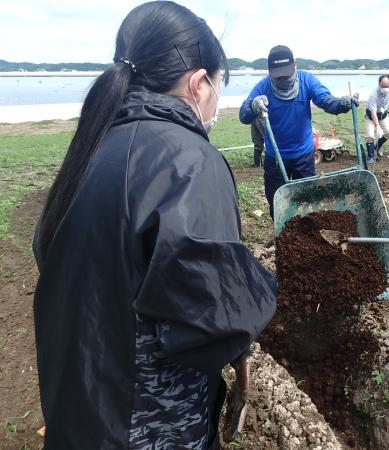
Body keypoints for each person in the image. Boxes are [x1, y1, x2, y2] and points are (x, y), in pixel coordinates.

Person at [32, 2, 276, 449]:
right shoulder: (187, 160)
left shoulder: (93, 143)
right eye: (220, 84)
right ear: (199, 83)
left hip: (77, 400)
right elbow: (210, 321)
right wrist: (260, 292)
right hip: (144, 420)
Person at [239, 45, 358, 218]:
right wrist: (253, 105)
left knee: (307, 199)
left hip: (303, 155)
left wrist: (342, 104)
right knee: (276, 201)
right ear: (270, 71)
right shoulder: (263, 87)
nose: (282, 78)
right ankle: (280, 235)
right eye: (278, 76)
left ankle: (308, 234)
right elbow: (243, 116)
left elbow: (327, 101)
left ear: (295, 65)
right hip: (276, 157)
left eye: (286, 74)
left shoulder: (307, 80)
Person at [364, 74, 389, 163]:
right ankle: (370, 157)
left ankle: (378, 146)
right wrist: (377, 126)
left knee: (388, 133)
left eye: (387, 86)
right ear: (379, 83)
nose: (385, 88)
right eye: (383, 86)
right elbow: (373, 113)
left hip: (383, 115)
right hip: (371, 116)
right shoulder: (373, 95)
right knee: (370, 136)